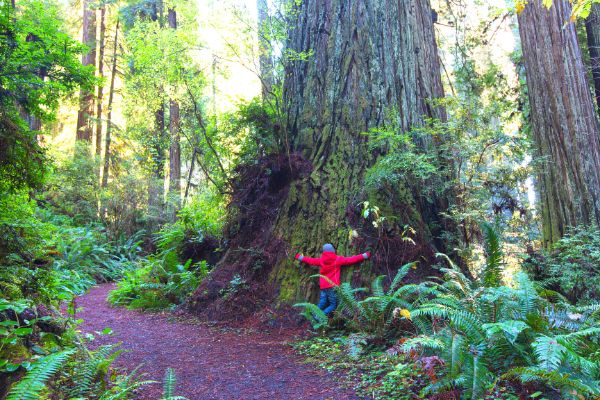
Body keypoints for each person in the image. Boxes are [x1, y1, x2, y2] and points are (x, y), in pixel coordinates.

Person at [295, 243, 370, 316]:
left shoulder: (321, 260)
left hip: (323, 286)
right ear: (333, 250)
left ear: (324, 252)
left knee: (322, 302)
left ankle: (313, 314)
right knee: (333, 305)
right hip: (332, 286)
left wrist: (300, 257)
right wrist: (364, 256)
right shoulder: (338, 259)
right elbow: (351, 260)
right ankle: (319, 317)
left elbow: (310, 260)